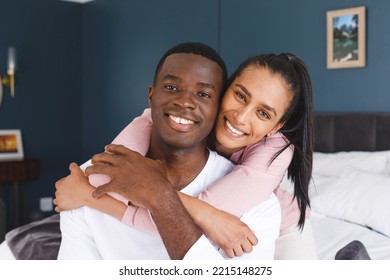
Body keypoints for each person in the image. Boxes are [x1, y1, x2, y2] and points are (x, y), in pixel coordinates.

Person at [55, 48, 316, 259]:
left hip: (286, 225)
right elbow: (108, 176)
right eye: (239, 96)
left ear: (276, 127)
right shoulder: (170, 118)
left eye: (263, 113)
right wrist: (96, 188)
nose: (241, 116)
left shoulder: (272, 158)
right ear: (224, 89)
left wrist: (146, 190)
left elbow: (174, 217)